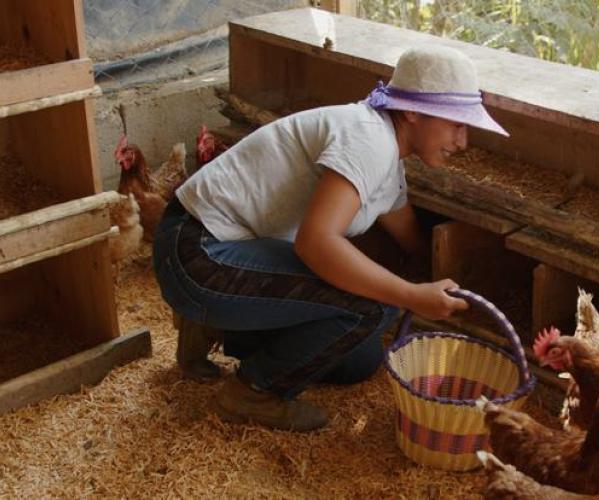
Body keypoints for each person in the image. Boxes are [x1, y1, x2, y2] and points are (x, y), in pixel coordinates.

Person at [152, 45, 509, 432]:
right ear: (412, 112)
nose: (463, 141)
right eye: (456, 123)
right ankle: (251, 393)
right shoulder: (368, 139)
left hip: (215, 251)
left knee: (360, 359)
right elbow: (316, 243)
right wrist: (409, 294)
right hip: (198, 253)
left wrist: (426, 265)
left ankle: (214, 326)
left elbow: (395, 213)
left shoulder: (385, 145)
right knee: (374, 305)